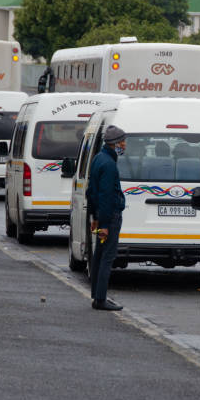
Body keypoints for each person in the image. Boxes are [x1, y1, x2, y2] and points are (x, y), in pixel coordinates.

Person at [86, 125, 127, 311]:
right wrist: (103, 224)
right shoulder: (109, 165)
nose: (125, 145)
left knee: (99, 256)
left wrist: (94, 217)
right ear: (115, 143)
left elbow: (91, 191)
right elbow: (105, 195)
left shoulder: (98, 159)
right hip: (110, 219)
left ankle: (96, 295)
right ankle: (101, 299)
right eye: (123, 142)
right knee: (107, 258)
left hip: (101, 217)